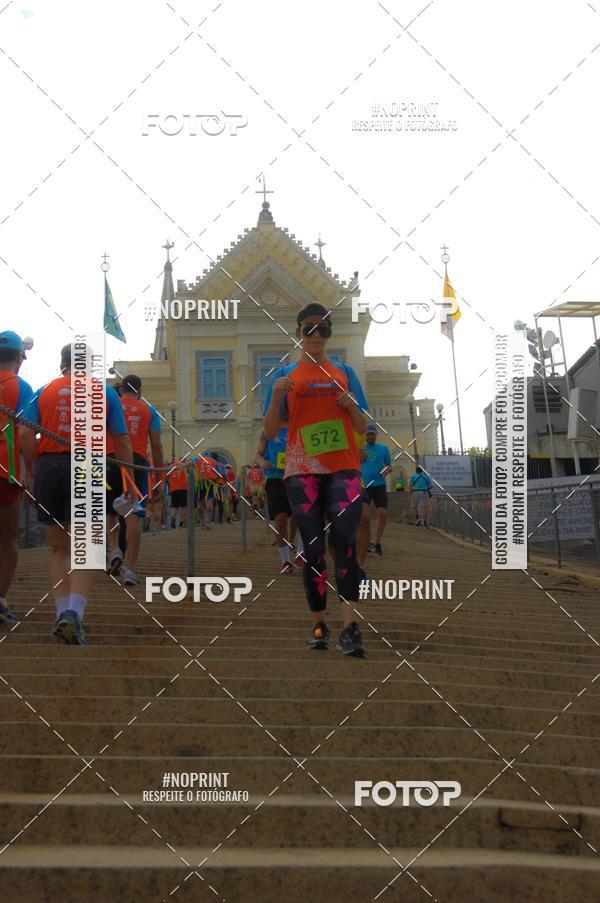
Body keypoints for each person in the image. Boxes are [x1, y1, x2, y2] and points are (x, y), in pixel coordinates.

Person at [264, 302, 369, 657]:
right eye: (309, 329)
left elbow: (362, 426)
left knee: (345, 543)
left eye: (324, 329)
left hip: (343, 468)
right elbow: (270, 430)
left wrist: (350, 405)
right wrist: (276, 397)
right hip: (302, 470)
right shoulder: (286, 376)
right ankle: (319, 625)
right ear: (298, 333)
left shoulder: (345, 372)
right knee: (312, 548)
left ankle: (351, 628)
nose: (316, 335)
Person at [20, 343, 133, 645]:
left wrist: (32, 470)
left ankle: (61, 613)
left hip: (49, 466)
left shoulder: (44, 390)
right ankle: (74, 614)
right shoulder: (105, 392)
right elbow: (121, 440)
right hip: (87, 465)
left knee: (61, 550)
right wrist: (129, 480)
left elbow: (25, 432)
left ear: (63, 363)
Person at [106, 375, 164, 586]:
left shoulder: (111, 404)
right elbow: (156, 446)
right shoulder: (149, 410)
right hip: (137, 462)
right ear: (139, 391)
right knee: (133, 515)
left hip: (109, 458)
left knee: (110, 511)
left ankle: (115, 548)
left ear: (121, 390)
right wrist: (159, 477)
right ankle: (131, 570)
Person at [0, 331, 33, 624]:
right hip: (6, 470)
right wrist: (30, 471)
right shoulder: (21, 387)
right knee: (7, 538)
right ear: (19, 359)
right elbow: (24, 432)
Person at [362, 424, 392, 556]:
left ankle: (377, 543)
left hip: (379, 485)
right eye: (368, 434)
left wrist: (386, 470)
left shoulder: (383, 448)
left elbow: (389, 466)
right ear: (364, 435)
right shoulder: (360, 449)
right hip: (364, 486)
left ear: (376, 435)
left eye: (372, 434)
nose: (370, 436)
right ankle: (367, 542)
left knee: (383, 514)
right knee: (364, 516)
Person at [169, 460, 189, 528]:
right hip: (183, 488)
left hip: (173, 489)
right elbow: (186, 478)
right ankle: (181, 523)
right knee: (183, 507)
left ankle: (173, 518)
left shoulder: (171, 466)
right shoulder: (184, 466)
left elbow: (167, 477)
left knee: (174, 506)